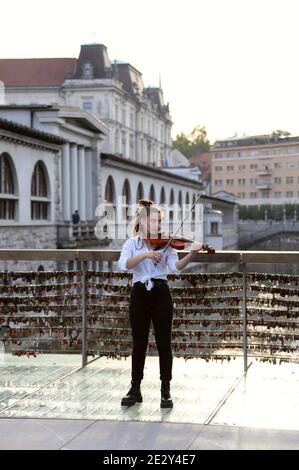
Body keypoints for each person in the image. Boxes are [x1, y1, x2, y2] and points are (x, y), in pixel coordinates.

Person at [117, 198, 203, 408]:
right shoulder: (132, 244)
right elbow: (123, 265)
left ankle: (166, 390)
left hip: (161, 293)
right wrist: (146, 254)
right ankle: (135, 388)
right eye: (154, 220)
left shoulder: (166, 243)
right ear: (143, 222)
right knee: (139, 343)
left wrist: (192, 252)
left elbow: (176, 267)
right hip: (139, 293)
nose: (157, 225)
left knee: (164, 343)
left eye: (159, 221)